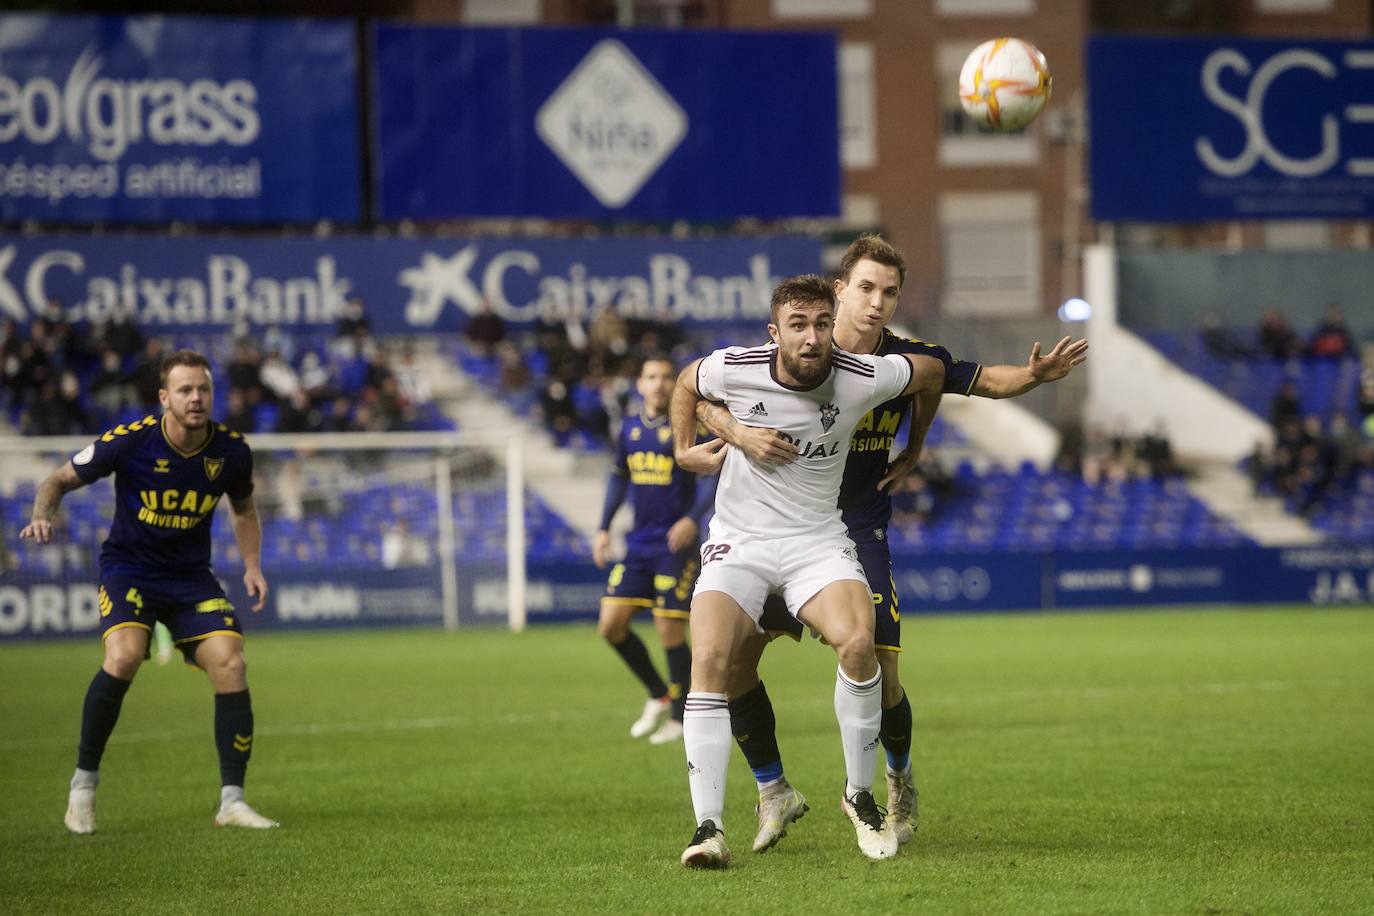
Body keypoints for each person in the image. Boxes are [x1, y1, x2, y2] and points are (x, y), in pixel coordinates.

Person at [698, 234, 1088, 853]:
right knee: (735, 664)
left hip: (851, 527)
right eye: (866, 288)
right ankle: (773, 790)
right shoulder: (795, 348)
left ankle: (897, 779)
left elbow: (976, 380)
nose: (878, 303)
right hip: (767, 528)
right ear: (838, 290)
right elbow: (703, 395)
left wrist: (924, 439)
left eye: (890, 292)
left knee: (879, 666)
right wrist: (736, 432)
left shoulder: (904, 361)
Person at [670, 274, 948, 868]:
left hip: (816, 541)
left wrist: (916, 445)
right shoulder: (737, 367)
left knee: (859, 643)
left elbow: (933, 372)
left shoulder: (864, 373)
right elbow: (685, 381)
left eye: (823, 324)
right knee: (711, 660)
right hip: (738, 542)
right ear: (776, 333)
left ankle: (859, 795)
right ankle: (708, 828)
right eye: (798, 325)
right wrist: (694, 443)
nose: (813, 337)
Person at [19, 349, 276, 834]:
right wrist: (41, 514)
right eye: (184, 390)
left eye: (202, 389)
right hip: (130, 570)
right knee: (124, 657)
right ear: (165, 398)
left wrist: (251, 566)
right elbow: (57, 480)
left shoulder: (231, 451)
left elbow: (244, 511)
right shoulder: (132, 441)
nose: (196, 398)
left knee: (232, 663)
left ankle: (232, 801)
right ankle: (83, 788)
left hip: (190, 577)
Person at [594, 355, 717, 746]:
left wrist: (692, 519)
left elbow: (711, 474)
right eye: (652, 377)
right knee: (611, 625)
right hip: (637, 543)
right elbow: (618, 479)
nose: (661, 383)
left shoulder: (690, 423)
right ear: (640, 385)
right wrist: (602, 528)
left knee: (668, 628)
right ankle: (657, 693)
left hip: (674, 545)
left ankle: (679, 720)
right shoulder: (630, 428)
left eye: (667, 376)